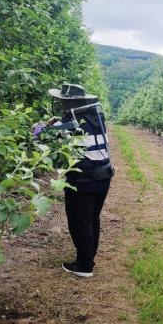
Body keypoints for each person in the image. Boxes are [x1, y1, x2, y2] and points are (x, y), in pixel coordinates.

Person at [41, 84, 114, 278]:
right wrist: (60, 123)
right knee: (92, 220)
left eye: (63, 101)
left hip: (82, 182)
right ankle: (89, 256)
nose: (61, 104)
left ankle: (84, 265)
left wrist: (39, 129)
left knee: (80, 223)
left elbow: (42, 139)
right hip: (103, 177)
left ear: (70, 103)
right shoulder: (96, 117)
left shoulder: (68, 122)